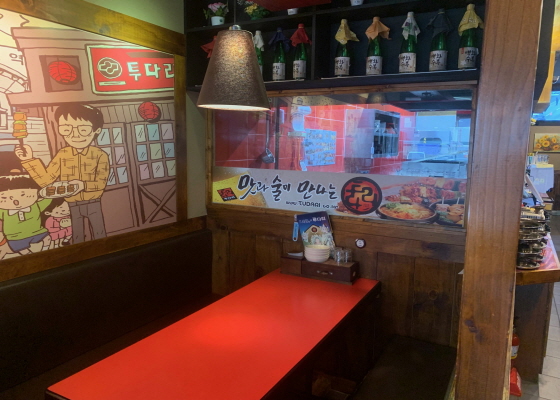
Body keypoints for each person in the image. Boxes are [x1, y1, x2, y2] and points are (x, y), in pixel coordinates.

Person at [15, 104, 109, 244]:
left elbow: (101, 183)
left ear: (97, 130)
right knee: (77, 235)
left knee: (99, 232)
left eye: (83, 129)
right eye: (66, 129)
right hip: (71, 203)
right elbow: (46, 180)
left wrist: (82, 185)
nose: (75, 135)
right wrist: (29, 160)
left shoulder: (100, 155)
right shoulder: (63, 154)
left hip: (93, 202)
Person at [0, 172, 52, 255]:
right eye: (4, 197)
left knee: (47, 239)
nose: (16, 201)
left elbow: (47, 199)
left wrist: (51, 191)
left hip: (37, 232)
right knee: (21, 249)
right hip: (15, 237)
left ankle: (45, 250)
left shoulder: (35, 206)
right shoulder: (3, 211)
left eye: (23, 195)